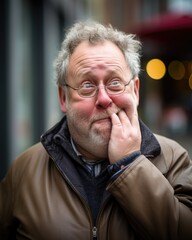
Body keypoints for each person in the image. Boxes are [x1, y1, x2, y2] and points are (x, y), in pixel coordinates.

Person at [0, 21, 192, 240]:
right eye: (87, 85)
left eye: (115, 83)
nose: (103, 98)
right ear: (63, 98)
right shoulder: (23, 171)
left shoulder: (174, 160)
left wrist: (130, 164)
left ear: (135, 91)